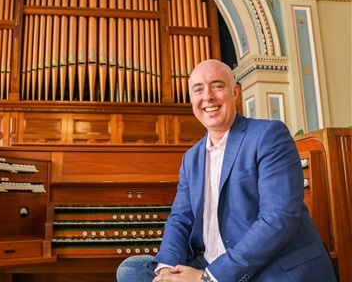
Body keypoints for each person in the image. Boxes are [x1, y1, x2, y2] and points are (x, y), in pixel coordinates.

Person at [116, 59, 337, 282]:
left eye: (217, 86)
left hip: (264, 264)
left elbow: (277, 219)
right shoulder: (191, 158)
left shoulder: (268, 135)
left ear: (235, 92)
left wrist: (208, 277)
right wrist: (166, 270)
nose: (208, 96)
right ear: (192, 99)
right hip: (210, 261)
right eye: (198, 89)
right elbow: (180, 219)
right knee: (132, 270)